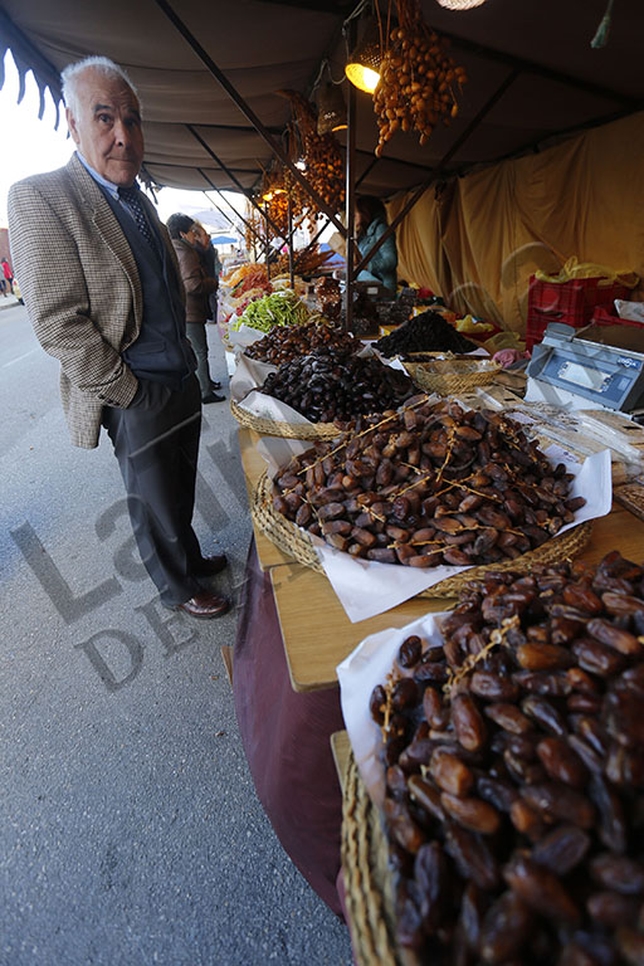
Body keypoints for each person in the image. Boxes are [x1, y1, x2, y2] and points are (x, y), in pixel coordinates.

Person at [8, 55, 230, 619]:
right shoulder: (42, 196)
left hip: (177, 371)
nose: (122, 135)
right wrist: (128, 392)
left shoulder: (138, 200)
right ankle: (177, 588)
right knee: (153, 496)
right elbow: (57, 320)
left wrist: (185, 360)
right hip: (134, 383)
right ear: (72, 121)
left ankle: (192, 557)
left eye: (132, 119)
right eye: (104, 118)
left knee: (181, 481)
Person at [166, 214, 224, 404]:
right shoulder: (185, 252)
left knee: (199, 350)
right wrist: (212, 283)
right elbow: (193, 285)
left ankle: (205, 382)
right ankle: (205, 391)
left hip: (185, 310)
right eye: (192, 232)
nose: (195, 236)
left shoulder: (176, 249)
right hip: (190, 310)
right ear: (183, 233)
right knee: (200, 351)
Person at [354, 194, 398, 298]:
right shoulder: (364, 233)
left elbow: (391, 260)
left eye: (356, 213)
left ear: (366, 212)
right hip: (370, 286)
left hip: (383, 289)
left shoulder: (381, 229)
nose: (354, 216)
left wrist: (367, 266)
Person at [192, 221, 222, 326]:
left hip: (210, 283)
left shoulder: (206, 249)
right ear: (196, 237)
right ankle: (213, 316)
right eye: (205, 235)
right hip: (198, 307)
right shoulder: (195, 253)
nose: (208, 238)